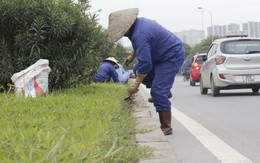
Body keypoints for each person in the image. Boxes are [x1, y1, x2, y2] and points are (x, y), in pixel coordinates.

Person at [108, 8, 186, 135]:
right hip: (159, 55)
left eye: (122, 33)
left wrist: (135, 85)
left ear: (127, 27)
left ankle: (166, 127)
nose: (123, 35)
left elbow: (146, 63)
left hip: (171, 56)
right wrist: (132, 56)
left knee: (158, 91)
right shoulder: (139, 24)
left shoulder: (139, 34)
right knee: (136, 69)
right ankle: (163, 92)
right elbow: (141, 44)